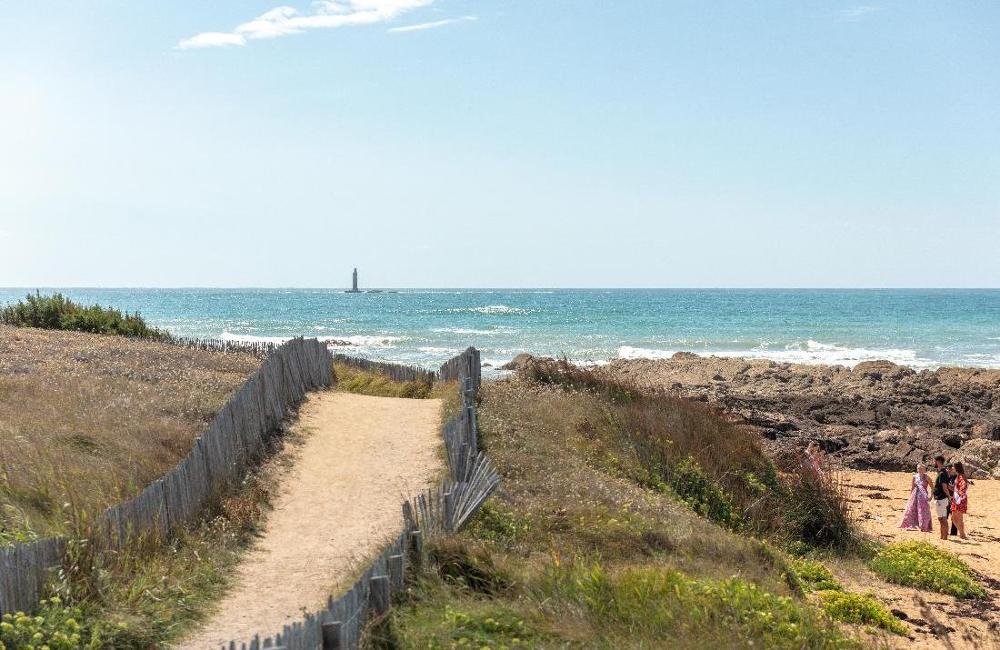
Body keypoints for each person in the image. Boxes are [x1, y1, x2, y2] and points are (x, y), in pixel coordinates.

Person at [900, 463, 933, 532]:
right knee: (911, 510)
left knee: (923, 511)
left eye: (921, 469)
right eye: (918, 468)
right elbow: (912, 487)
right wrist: (910, 496)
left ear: (924, 470)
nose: (920, 470)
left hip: (923, 497)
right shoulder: (914, 477)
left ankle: (924, 526)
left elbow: (932, 487)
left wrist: (931, 496)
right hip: (915, 495)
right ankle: (911, 524)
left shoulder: (927, 477)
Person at [932, 456, 952, 540]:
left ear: (937, 461)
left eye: (934, 461)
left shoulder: (942, 473)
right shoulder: (942, 472)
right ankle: (942, 536)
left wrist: (948, 497)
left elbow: (945, 487)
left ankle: (944, 537)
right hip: (941, 498)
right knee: (942, 518)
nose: (933, 462)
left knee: (942, 518)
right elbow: (947, 486)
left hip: (941, 499)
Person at [950, 462, 969, 540]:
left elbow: (964, 486)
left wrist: (959, 495)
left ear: (956, 467)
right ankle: (962, 533)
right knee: (954, 518)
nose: (952, 468)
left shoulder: (961, 476)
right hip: (956, 498)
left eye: (953, 467)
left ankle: (962, 534)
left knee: (958, 518)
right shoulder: (958, 476)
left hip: (959, 499)